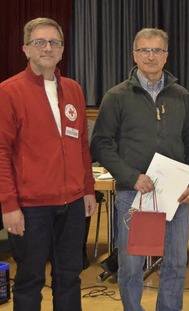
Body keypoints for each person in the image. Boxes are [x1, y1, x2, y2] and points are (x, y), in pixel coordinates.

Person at [90, 28, 189, 311]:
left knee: (175, 263)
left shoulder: (181, 95)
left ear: (166, 56)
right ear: (134, 54)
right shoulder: (117, 96)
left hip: (175, 196)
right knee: (130, 264)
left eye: (157, 50)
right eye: (144, 50)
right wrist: (131, 177)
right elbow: (101, 144)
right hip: (133, 194)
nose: (150, 56)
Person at [0, 17, 97, 310]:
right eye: (39, 42)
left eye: (54, 42)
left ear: (62, 50)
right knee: (29, 280)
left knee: (70, 277)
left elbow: (81, 143)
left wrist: (88, 189)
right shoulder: (8, 91)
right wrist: (9, 206)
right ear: (25, 49)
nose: (47, 48)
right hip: (31, 207)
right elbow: (1, 152)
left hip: (73, 203)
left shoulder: (74, 90)